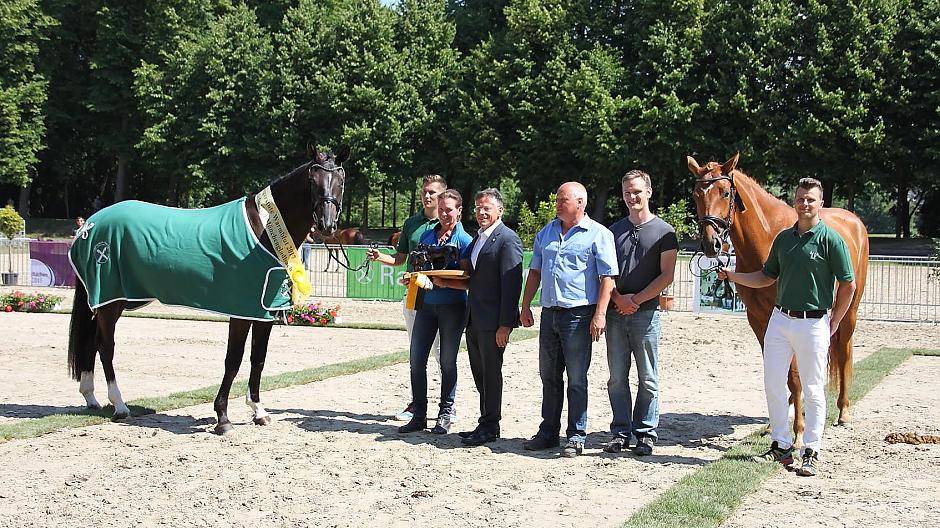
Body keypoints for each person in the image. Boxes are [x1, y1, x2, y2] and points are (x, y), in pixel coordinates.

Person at [718, 177, 856, 477]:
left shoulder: (831, 239)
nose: (805, 204)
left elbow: (848, 284)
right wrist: (733, 276)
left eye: (811, 199)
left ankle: (811, 449)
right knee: (773, 384)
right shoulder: (783, 239)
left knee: (813, 389)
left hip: (813, 321)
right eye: (801, 199)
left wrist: (835, 320)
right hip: (780, 320)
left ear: (820, 203)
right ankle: (780, 445)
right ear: (795, 202)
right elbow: (766, 277)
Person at [519, 182, 618, 457]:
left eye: (564, 200)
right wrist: (526, 305)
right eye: (557, 199)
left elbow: (607, 278)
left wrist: (600, 314)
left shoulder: (598, 234)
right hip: (549, 312)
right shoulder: (546, 233)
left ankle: (576, 435)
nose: (558, 204)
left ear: (580, 203)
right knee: (548, 376)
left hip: (579, 314)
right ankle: (548, 432)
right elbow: (535, 272)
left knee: (577, 378)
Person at [431, 189, 523, 446]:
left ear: (500, 210)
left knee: (491, 374)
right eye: (479, 208)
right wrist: (445, 281)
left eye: (487, 208)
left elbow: (512, 285)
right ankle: (485, 421)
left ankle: (491, 425)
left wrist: (506, 324)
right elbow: (470, 276)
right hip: (473, 318)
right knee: (479, 374)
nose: (481, 213)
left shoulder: (508, 239)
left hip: (493, 322)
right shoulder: (478, 238)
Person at [603, 170, 678, 456]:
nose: (632, 197)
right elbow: (606, 272)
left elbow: (667, 275)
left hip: (646, 314)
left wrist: (636, 299)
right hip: (615, 313)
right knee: (617, 377)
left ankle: (645, 433)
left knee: (648, 377)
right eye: (627, 192)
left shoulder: (665, 232)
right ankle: (620, 432)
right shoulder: (614, 231)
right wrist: (618, 299)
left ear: (648, 192)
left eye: (636, 191)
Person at [366, 175, 447, 422]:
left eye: (433, 192)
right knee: (416, 352)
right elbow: (400, 260)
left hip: (441, 297)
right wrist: (380, 257)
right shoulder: (412, 223)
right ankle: (416, 403)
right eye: (425, 191)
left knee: (442, 353)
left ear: (442, 196)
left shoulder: (448, 224)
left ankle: (447, 404)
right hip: (413, 295)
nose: (427, 195)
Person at [398, 189, 473, 434]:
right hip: (426, 306)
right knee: (416, 360)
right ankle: (419, 413)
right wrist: (410, 279)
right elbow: (419, 270)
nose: (443, 213)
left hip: (453, 306)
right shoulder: (428, 237)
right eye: (441, 209)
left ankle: (446, 412)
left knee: (447, 361)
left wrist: (446, 283)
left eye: (448, 209)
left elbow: (469, 279)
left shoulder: (465, 241)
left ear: (459, 211)